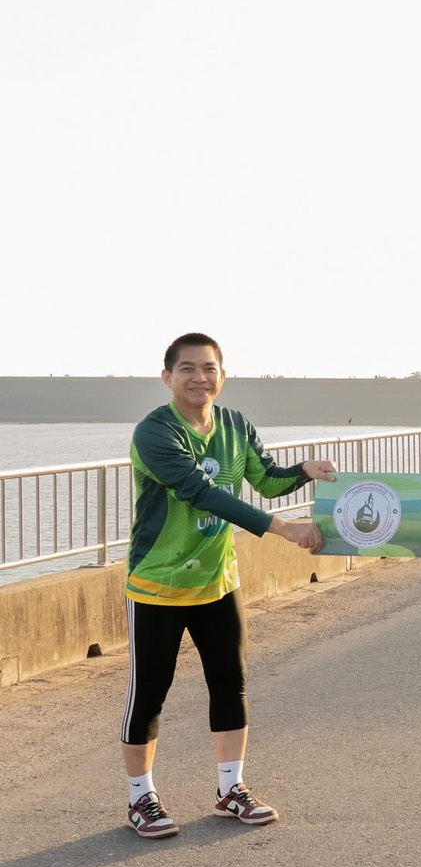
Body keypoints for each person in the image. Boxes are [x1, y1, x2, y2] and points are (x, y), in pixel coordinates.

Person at [121, 333, 336, 838]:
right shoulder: (155, 432)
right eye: (187, 369)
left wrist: (304, 471)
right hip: (159, 584)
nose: (199, 378)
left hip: (218, 581)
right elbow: (199, 492)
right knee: (149, 693)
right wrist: (283, 529)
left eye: (209, 369)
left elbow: (266, 479)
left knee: (230, 684)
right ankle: (140, 798)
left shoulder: (235, 425)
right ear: (167, 377)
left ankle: (231, 789)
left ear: (223, 375)